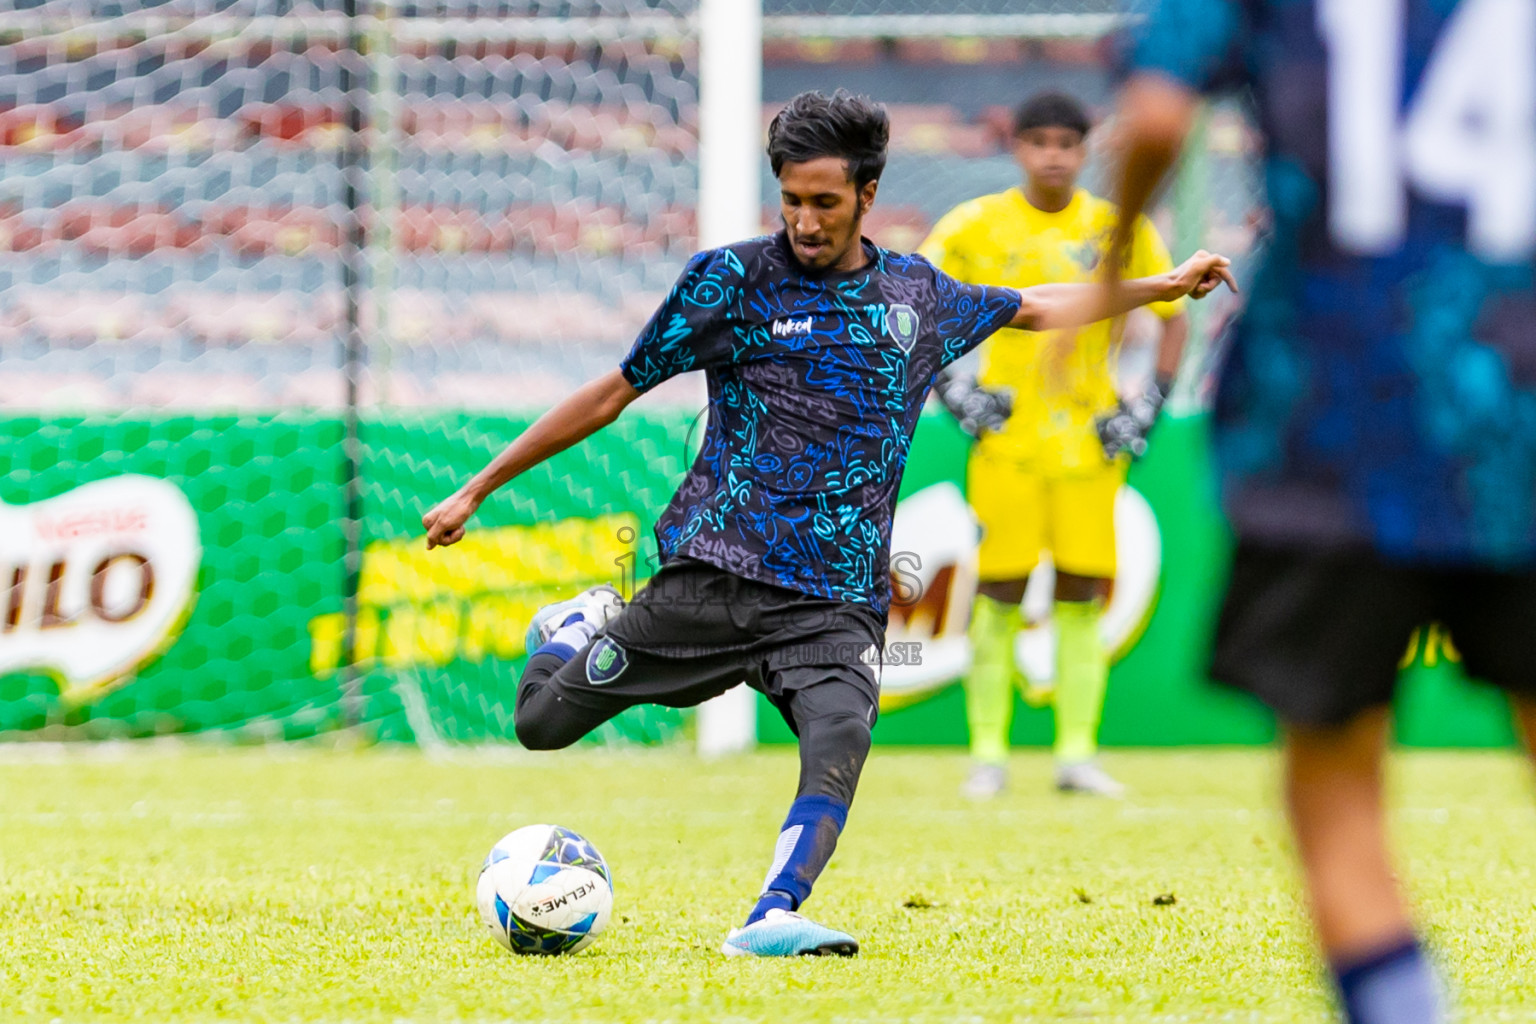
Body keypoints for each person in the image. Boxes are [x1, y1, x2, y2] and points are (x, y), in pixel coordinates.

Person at [422, 89, 1233, 958]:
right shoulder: (729, 281)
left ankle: (772, 912)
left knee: (842, 736)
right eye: (792, 202)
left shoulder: (917, 296)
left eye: (825, 203)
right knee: (540, 724)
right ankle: (576, 623)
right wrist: (478, 488)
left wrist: (1162, 287)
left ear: (868, 195)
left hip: (834, 601)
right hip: (716, 575)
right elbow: (614, 392)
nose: (805, 222)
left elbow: (1033, 306)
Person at [1114, 2, 1536, 1021]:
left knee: (1334, 773)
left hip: (1330, 421)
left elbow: (1158, 117)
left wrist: (1108, 260)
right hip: (1518, 409)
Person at [922, 91, 1190, 799]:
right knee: (1000, 592)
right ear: (1016, 147)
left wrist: (1149, 405)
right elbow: (913, 301)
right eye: (1037, 141)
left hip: (1089, 445)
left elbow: (1173, 314)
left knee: (1080, 593)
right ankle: (989, 756)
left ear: (1086, 148)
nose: (1052, 155)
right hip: (1007, 442)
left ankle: (1076, 753)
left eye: (1065, 143)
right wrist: (956, 393)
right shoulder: (974, 226)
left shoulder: (1117, 226)